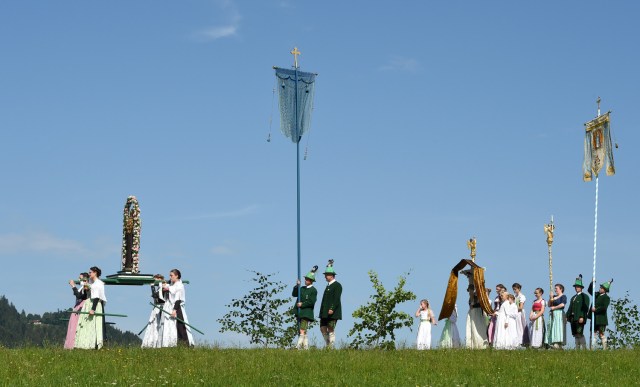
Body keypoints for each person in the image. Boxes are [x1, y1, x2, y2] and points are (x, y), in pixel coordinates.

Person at [75, 266, 107, 349]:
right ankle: (84, 344)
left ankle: (94, 344)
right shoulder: (91, 283)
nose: (89, 274)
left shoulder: (98, 283)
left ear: (95, 273)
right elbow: (86, 293)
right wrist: (86, 288)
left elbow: (96, 297)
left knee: (94, 325)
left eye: (90, 272)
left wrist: (93, 309)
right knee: (86, 324)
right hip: (88, 303)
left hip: (94, 304)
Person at [161, 269, 194, 347]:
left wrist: (174, 310)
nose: (170, 277)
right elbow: (167, 287)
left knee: (180, 326)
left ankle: (186, 345)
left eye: (171, 275)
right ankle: (175, 344)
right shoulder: (172, 285)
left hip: (177, 307)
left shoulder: (179, 285)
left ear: (177, 276)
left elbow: (178, 299)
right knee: (173, 327)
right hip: (171, 307)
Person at [460, 269, 488, 349]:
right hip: (473, 312)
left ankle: (480, 344)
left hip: (478, 312)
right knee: (472, 327)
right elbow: (471, 292)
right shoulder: (473, 293)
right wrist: (470, 279)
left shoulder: (480, 293)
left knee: (478, 328)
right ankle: (473, 344)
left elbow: (474, 294)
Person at [292, 266, 318, 350]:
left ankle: (298, 347)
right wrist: (297, 285)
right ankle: (306, 348)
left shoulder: (313, 290)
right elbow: (294, 294)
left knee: (302, 330)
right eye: (305, 279)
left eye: (307, 279)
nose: (305, 280)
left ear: (311, 281)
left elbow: (311, 302)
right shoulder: (302, 288)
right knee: (303, 331)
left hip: (306, 313)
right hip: (299, 312)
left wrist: (302, 304)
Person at [319, 260, 342, 348]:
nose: (325, 276)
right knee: (322, 328)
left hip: (333, 311)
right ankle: (328, 344)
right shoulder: (328, 286)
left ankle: (330, 347)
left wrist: (332, 308)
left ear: (331, 276)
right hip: (325, 311)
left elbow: (336, 298)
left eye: (326, 275)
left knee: (331, 328)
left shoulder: (337, 285)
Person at [64, 272, 90, 349]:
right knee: (73, 326)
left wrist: (73, 286)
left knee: (76, 326)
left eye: (80, 278)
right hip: (77, 308)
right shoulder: (82, 288)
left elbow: (80, 296)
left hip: (81, 308)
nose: (79, 280)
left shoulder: (86, 288)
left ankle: (74, 344)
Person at [141, 274, 167, 348]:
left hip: (161, 307)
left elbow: (155, 296)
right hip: (157, 307)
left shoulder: (163, 287)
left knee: (160, 325)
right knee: (154, 325)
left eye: (156, 279)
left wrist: (152, 287)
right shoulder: (159, 287)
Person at [567, 274, 590, 349]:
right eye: (576, 287)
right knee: (575, 334)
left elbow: (585, 308)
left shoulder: (584, 296)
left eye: (578, 287)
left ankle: (584, 348)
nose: (577, 288)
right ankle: (577, 349)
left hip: (579, 317)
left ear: (581, 288)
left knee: (580, 333)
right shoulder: (573, 297)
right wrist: (567, 316)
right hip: (573, 318)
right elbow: (570, 308)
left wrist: (582, 317)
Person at [588, 278, 612, 349]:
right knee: (593, 333)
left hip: (601, 318)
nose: (600, 288)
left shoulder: (606, 298)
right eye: (600, 287)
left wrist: (596, 309)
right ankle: (592, 348)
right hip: (594, 317)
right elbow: (590, 290)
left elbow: (604, 307)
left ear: (605, 290)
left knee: (601, 334)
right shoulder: (596, 294)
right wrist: (592, 283)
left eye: (601, 288)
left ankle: (605, 348)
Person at [547, 283, 567, 349]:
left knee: (558, 327)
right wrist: (551, 297)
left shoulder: (563, 296)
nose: (555, 290)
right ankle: (552, 342)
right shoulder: (554, 297)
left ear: (561, 289)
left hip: (559, 313)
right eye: (555, 288)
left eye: (556, 288)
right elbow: (549, 305)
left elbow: (562, 305)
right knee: (552, 326)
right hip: (553, 314)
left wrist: (554, 308)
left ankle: (558, 343)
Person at [512, 283, 528, 347]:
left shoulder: (522, 296)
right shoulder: (514, 296)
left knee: (520, 327)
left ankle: (521, 341)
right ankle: (516, 342)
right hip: (515, 313)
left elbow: (521, 307)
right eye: (513, 289)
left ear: (519, 288)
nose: (514, 291)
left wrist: (514, 310)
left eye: (515, 289)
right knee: (515, 327)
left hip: (519, 313)